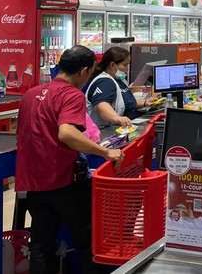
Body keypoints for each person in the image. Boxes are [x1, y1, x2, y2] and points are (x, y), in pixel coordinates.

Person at [16, 46, 123, 274]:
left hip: (34, 183)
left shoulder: (30, 94)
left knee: (41, 245)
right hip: (65, 182)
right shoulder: (71, 94)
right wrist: (106, 152)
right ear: (84, 71)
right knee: (90, 241)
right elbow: (66, 133)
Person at [86, 46, 154, 128]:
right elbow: (101, 105)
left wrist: (145, 102)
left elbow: (125, 102)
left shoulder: (119, 80)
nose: (127, 69)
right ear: (112, 65)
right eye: (125, 65)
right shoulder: (104, 82)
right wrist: (117, 118)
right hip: (105, 130)